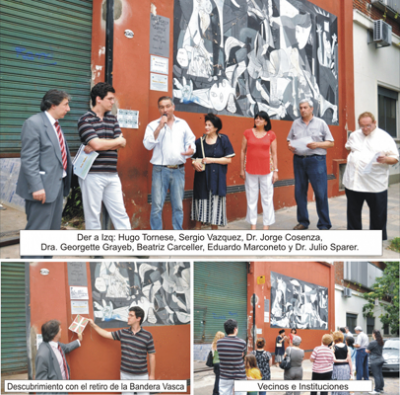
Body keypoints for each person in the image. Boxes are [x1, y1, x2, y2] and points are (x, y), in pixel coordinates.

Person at [16, 90, 72, 237]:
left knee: (52, 234)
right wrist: (37, 187)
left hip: (57, 186)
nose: (68, 109)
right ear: (53, 105)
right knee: (38, 233)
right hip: (42, 189)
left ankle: (46, 260)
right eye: (65, 104)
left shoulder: (55, 125)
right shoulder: (34, 123)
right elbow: (29, 159)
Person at [78, 82, 131, 230]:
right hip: (92, 174)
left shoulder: (112, 119)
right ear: (98, 99)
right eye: (110, 99)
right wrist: (114, 142)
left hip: (112, 174)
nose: (113, 102)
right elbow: (99, 145)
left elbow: (122, 143)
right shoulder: (85, 120)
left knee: (120, 212)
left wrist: (100, 144)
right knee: (93, 214)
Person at [343, 111, 399, 240]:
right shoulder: (354, 135)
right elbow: (348, 147)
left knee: (378, 216)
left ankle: (376, 242)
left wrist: (386, 159)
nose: (365, 129)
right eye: (362, 126)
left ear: (374, 123)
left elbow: (395, 158)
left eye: (368, 125)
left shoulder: (385, 137)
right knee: (353, 214)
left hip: (375, 185)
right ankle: (354, 241)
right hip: (353, 182)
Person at [143, 96, 196, 230]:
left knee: (178, 206)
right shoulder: (153, 125)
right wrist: (160, 126)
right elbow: (148, 145)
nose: (165, 109)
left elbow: (191, 141)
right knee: (157, 207)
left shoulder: (183, 124)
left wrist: (191, 150)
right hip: (160, 170)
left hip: (178, 170)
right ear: (159, 109)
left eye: (167, 106)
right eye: (161, 107)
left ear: (173, 107)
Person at [287, 99, 334, 230]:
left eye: (305, 107)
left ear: (311, 109)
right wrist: (290, 146)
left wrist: (317, 144)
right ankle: (303, 221)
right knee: (299, 192)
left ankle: (324, 224)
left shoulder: (321, 123)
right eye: (301, 108)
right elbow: (289, 140)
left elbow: (331, 142)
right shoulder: (295, 123)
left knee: (320, 193)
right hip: (299, 160)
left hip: (316, 160)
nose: (302, 110)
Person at [88, 306, 155, 395]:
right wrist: (93, 325)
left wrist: (152, 375)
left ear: (138, 318)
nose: (128, 317)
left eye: (131, 315)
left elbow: (152, 355)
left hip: (142, 375)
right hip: (125, 374)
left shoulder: (147, 335)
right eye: (128, 315)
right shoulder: (123, 333)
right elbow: (106, 334)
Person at [191, 113, 235, 229]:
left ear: (216, 127)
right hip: (201, 181)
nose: (206, 127)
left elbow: (228, 160)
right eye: (205, 124)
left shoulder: (223, 140)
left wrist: (211, 160)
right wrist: (194, 163)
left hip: (217, 181)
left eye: (209, 125)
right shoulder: (199, 142)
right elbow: (193, 159)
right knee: (199, 215)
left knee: (215, 216)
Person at [240, 111, 278, 229]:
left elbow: (274, 154)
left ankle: (266, 224)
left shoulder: (271, 135)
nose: (258, 120)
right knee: (251, 197)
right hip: (250, 169)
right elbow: (242, 150)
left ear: (266, 122)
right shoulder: (247, 133)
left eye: (261, 119)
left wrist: (275, 171)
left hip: (267, 170)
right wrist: (241, 169)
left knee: (267, 198)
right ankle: (253, 223)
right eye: (256, 118)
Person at [35, 320, 82, 392]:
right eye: (59, 328)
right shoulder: (43, 355)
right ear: (55, 335)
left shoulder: (56, 344)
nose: (61, 330)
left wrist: (78, 340)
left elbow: (66, 347)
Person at [216, 319, 247, 395]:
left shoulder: (219, 343)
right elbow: (242, 355)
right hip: (240, 375)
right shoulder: (242, 342)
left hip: (224, 375)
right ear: (235, 329)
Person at [331, 331, 352, 395]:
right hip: (346, 368)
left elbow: (334, 360)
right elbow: (349, 360)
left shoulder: (333, 348)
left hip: (337, 368)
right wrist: (351, 371)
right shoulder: (347, 347)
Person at [366, 330, 385, 394]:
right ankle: (381, 388)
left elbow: (367, 350)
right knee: (380, 374)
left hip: (374, 361)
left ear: (374, 334)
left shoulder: (373, 342)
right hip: (380, 359)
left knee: (376, 375)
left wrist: (371, 351)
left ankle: (377, 390)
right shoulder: (381, 342)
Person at [211, 331, 225, 395]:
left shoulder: (213, 344)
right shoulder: (222, 344)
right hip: (221, 363)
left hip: (215, 363)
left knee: (217, 378)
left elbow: (212, 354)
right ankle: (216, 392)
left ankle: (215, 392)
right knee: (219, 379)